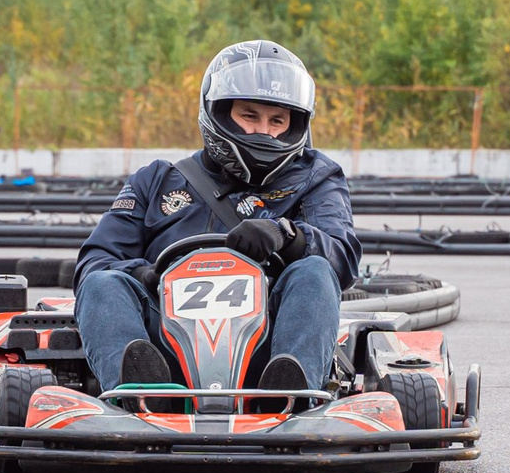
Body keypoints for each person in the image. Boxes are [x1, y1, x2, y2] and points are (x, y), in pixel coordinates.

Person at [74, 40, 360, 395]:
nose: (264, 132)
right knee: (101, 284)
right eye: (250, 116)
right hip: (164, 343)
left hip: (268, 345)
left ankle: (292, 396)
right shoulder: (157, 180)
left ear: (295, 125)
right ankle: (140, 395)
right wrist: (144, 275)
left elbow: (343, 256)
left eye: (277, 121)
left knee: (316, 270)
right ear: (219, 113)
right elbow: (95, 261)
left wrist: (287, 236)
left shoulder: (316, 177)